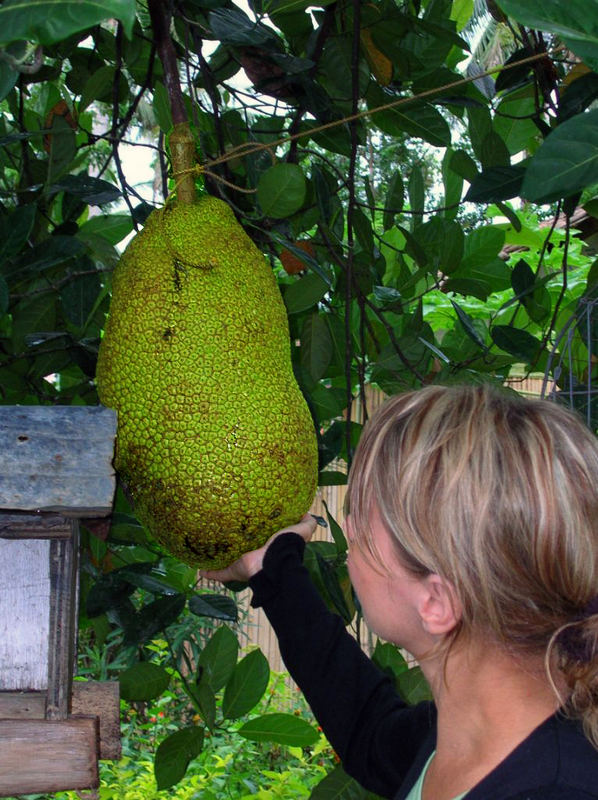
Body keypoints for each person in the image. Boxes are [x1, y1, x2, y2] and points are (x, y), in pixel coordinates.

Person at [204, 384, 598, 799]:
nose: (349, 528)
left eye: (362, 523)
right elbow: (368, 729)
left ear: (436, 602)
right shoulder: (468, 735)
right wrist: (270, 569)